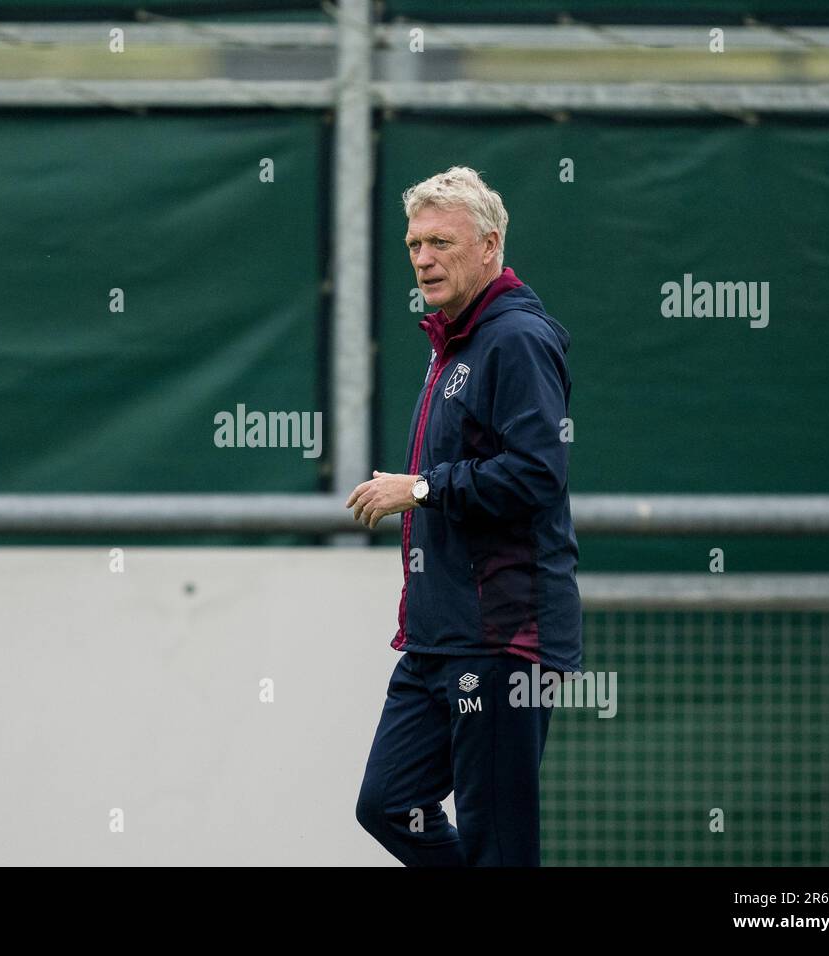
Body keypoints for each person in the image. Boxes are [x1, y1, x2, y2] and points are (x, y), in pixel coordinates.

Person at [345, 166, 582, 866]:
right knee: (388, 803)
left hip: (501, 637)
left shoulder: (516, 339)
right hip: (436, 639)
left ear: (490, 245)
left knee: (497, 839)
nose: (422, 259)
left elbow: (538, 474)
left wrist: (418, 488)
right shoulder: (454, 339)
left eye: (441, 243)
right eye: (415, 244)